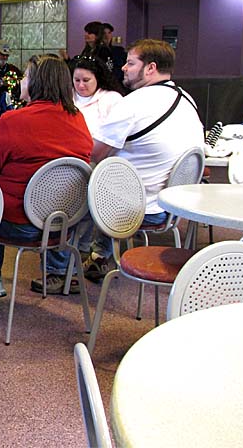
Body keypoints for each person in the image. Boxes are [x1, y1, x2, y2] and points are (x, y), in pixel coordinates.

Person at [0, 54, 92, 299]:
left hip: (17, 225)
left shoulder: (12, 120)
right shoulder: (78, 118)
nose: (21, 81)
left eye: (26, 76)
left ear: (36, 83)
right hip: (63, 223)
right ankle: (57, 269)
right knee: (60, 191)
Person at [84, 39, 204, 281]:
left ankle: (82, 258)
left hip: (134, 209)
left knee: (78, 180)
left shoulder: (133, 103)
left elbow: (94, 153)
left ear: (150, 68)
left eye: (130, 63)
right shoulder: (187, 99)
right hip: (170, 207)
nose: (123, 68)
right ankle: (100, 252)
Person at [68, 55, 123, 256]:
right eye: (77, 81)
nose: (81, 85)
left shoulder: (111, 99)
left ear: (97, 78)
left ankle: (90, 247)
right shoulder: (67, 98)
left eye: (86, 80)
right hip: (74, 158)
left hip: (101, 161)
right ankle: (73, 245)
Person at [102, 22, 127, 87]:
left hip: (119, 84)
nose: (107, 36)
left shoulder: (119, 51)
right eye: (104, 33)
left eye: (109, 33)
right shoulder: (96, 52)